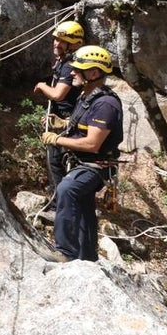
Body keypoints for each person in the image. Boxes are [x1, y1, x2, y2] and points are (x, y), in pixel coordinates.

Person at [40, 45, 123, 262]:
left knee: (67, 189)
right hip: (82, 162)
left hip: (96, 165)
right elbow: (83, 126)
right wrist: (63, 123)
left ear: (93, 73)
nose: (73, 72)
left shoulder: (106, 104)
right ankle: (88, 258)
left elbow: (92, 144)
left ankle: (65, 252)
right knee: (84, 207)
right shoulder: (86, 96)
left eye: (78, 69)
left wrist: (57, 139)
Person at [32, 20, 84, 199]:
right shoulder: (64, 62)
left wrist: (41, 85)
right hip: (61, 116)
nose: (57, 43)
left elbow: (58, 94)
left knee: (56, 161)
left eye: (63, 41)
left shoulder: (69, 65)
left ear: (74, 45)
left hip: (66, 119)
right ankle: (60, 198)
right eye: (56, 39)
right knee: (57, 160)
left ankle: (58, 202)